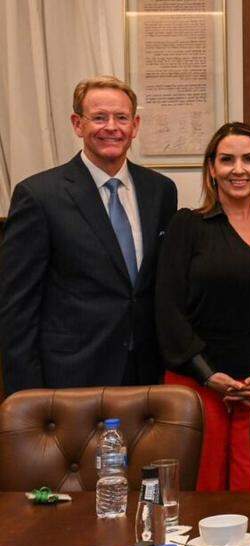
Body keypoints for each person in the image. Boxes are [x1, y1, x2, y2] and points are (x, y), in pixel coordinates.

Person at [0, 76, 177, 394]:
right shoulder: (39, 195)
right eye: (99, 117)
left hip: (147, 372)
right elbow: (17, 307)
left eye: (121, 117)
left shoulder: (161, 191)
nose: (112, 127)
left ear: (135, 125)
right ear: (77, 124)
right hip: (71, 375)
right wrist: (27, 396)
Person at [155, 122, 250, 491]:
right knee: (199, 496)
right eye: (227, 160)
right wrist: (208, 375)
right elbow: (168, 309)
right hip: (197, 387)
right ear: (211, 169)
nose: (239, 169)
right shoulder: (187, 225)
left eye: (249, 159)